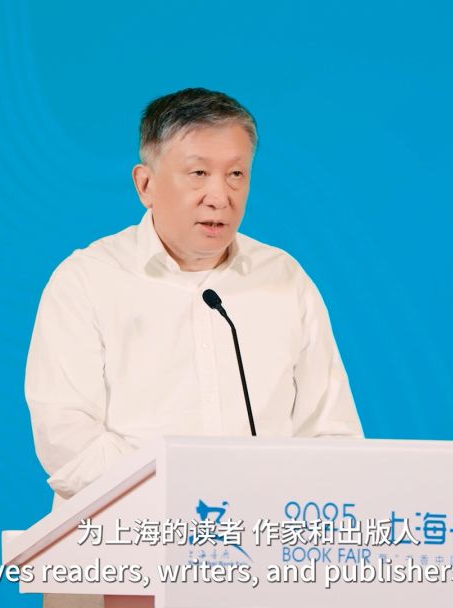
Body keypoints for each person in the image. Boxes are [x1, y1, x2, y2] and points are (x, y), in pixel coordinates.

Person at [24, 85, 363, 511]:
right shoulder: (87, 281)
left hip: (260, 537)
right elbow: (67, 440)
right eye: (199, 173)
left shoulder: (284, 279)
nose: (219, 197)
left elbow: (332, 433)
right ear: (145, 185)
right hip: (128, 537)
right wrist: (183, 493)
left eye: (236, 174)